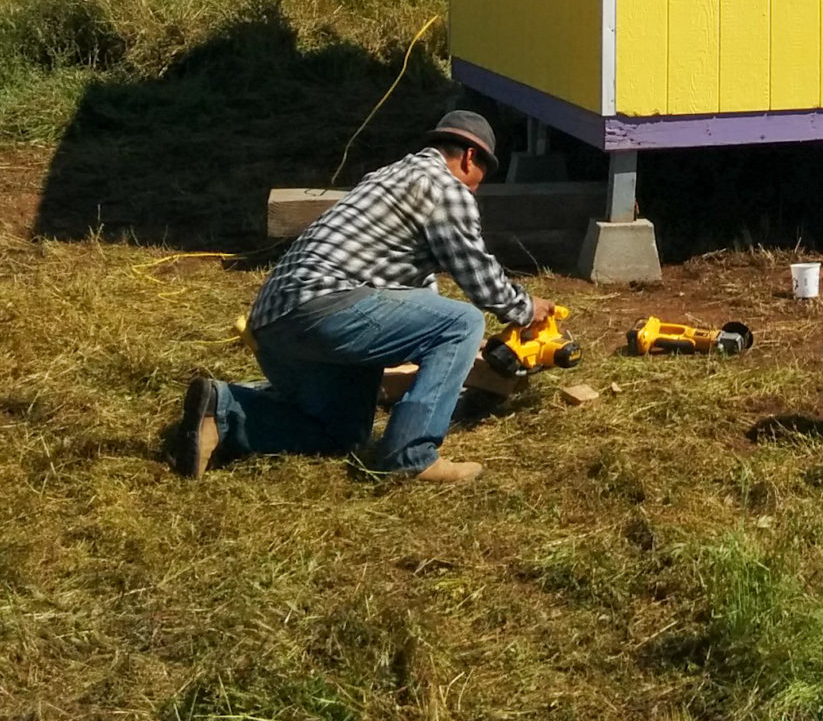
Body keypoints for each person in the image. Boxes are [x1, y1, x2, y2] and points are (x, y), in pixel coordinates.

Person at [173, 109, 557, 484]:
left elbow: (415, 298)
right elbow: (478, 276)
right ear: (471, 157)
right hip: (323, 309)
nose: (475, 189)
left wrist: (451, 356)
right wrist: (526, 309)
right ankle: (411, 454)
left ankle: (222, 413)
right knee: (464, 322)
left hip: (274, 324)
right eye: (480, 179)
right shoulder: (445, 187)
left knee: (341, 433)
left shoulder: (387, 178)